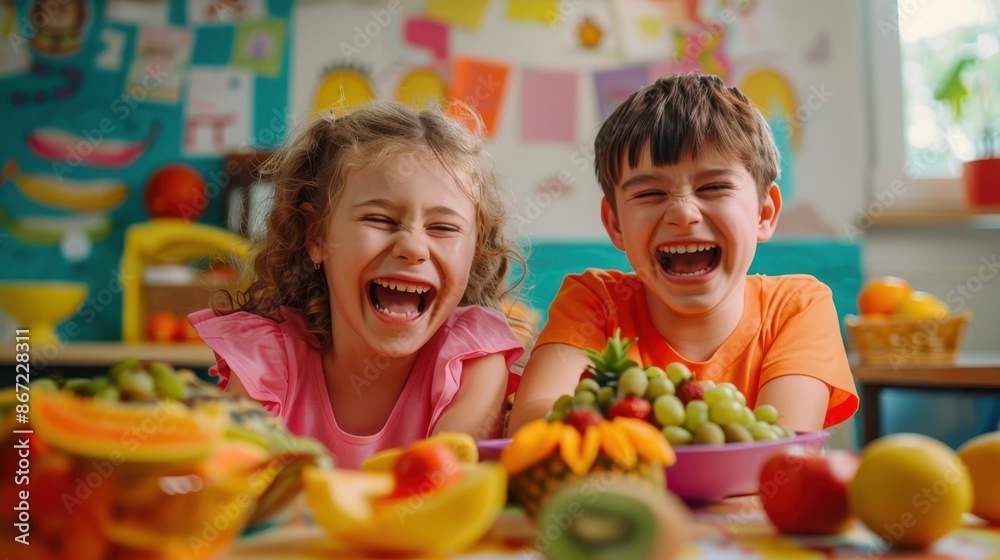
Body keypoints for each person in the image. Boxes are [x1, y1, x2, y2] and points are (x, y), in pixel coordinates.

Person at [508, 73, 858, 435]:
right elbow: (530, 425)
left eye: (714, 187)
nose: (682, 213)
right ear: (615, 225)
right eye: (648, 194)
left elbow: (782, 452)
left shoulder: (798, 307)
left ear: (764, 214)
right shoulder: (593, 302)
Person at [190, 100, 526, 469]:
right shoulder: (267, 360)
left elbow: (446, 486)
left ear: (475, 252)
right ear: (316, 235)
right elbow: (240, 485)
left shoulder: (474, 361)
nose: (413, 248)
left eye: (443, 228)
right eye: (380, 219)